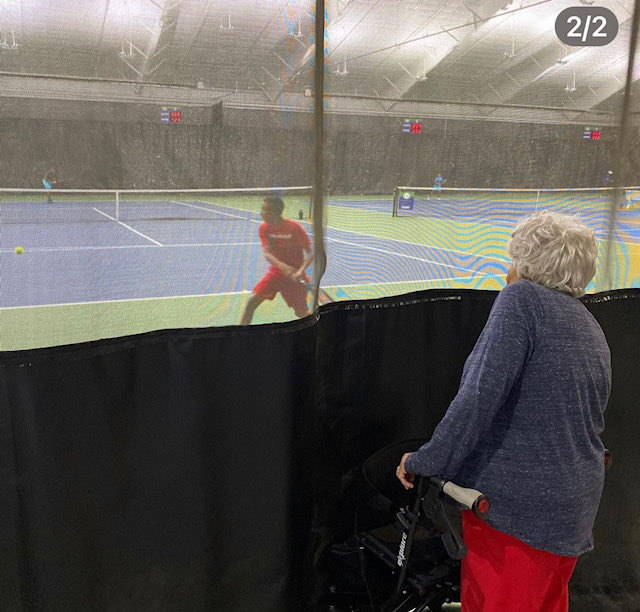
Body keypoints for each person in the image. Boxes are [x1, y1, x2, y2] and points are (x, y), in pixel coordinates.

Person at [396, 211, 611, 612]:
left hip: (521, 514)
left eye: (512, 259)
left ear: (527, 263)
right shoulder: (588, 324)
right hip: (573, 510)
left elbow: (477, 398)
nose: (507, 270)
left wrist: (426, 461)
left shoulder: (522, 300)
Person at [240, 195, 313, 325]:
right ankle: (238, 338)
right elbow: (267, 253)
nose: (262, 213)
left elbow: (311, 253)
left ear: (276, 212)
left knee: (301, 314)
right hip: (276, 274)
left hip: (295, 277)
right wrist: (283, 267)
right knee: (251, 303)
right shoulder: (264, 228)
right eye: (262, 209)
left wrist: (299, 272)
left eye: (267, 209)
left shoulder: (294, 227)